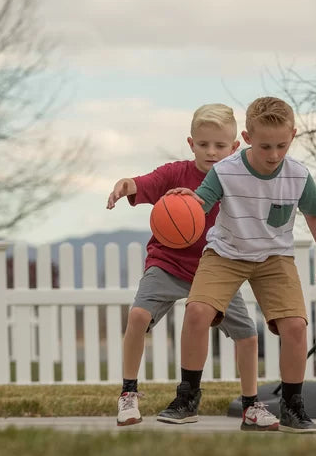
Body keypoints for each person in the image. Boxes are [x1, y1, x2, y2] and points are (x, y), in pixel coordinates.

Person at [167, 96, 316, 434]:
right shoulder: (225, 171)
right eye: (265, 146)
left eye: (281, 146)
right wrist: (186, 204)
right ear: (246, 138)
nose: (273, 155)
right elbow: (201, 204)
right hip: (226, 252)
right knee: (197, 311)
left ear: (293, 136)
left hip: (274, 257)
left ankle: (292, 406)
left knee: (296, 327)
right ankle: (187, 398)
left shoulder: (298, 175)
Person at [106, 103, 279, 431]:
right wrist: (123, 185)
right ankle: (128, 393)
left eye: (219, 146)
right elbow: (140, 183)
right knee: (138, 316)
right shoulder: (175, 173)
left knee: (247, 335)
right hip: (168, 262)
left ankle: (251, 405)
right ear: (191, 144)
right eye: (203, 145)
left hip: (216, 268)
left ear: (234, 147)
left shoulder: (236, 181)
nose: (211, 152)